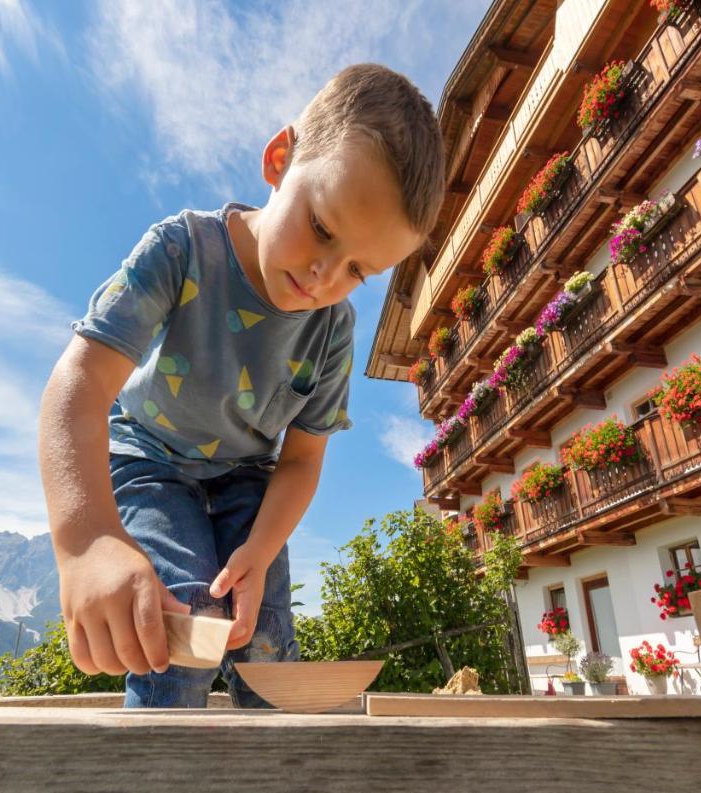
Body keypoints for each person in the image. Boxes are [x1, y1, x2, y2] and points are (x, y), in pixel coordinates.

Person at [38, 63, 445, 708]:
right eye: (322, 228)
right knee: (178, 620)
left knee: (265, 643)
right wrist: (88, 542)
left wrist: (261, 547)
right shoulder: (181, 251)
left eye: (358, 271)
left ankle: (271, 792)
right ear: (281, 160)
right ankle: (157, 792)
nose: (323, 276)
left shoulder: (333, 329)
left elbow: (303, 460)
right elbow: (79, 384)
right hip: (151, 457)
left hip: (249, 480)